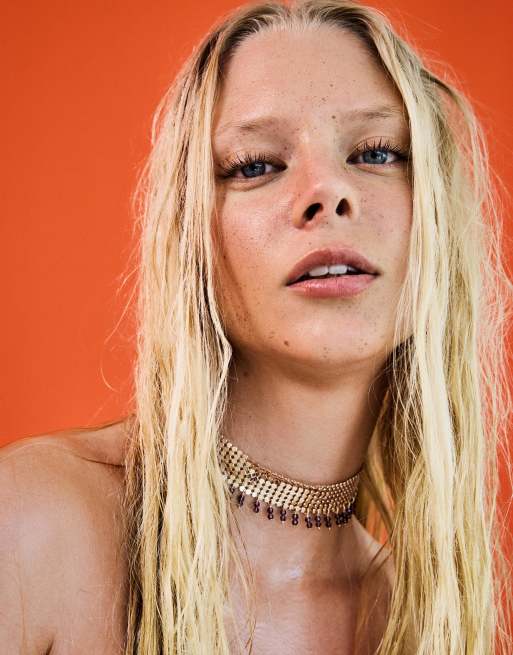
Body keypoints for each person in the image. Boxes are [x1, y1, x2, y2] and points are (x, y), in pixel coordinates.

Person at [1, 0, 512, 653]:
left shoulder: (418, 622)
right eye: (255, 165)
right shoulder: (31, 526)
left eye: (377, 152)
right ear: (192, 239)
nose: (328, 191)